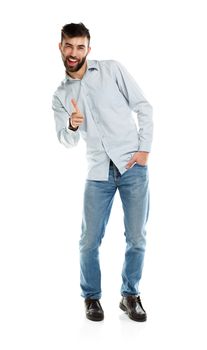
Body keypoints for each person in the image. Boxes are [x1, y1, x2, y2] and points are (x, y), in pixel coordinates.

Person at [52, 22, 154, 322]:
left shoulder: (111, 70)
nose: (74, 52)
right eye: (68, 46)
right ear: (60, 47)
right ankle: (92, 298)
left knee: (136, 237)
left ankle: (130, 294)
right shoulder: (60, 95)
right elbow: (65, 140)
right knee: (88, 240)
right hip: (97, 173)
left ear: (88, 49)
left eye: (80, 46)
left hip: (132, 166)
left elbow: (143, 106)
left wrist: (144, 149)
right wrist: (72, 124)